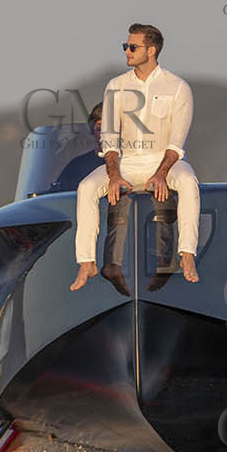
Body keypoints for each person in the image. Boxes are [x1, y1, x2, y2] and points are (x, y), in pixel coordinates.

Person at [70, 24, 200, 289]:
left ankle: (187, 255)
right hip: (127, 162)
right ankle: (87, 263)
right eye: (125, 46)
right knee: (86, 187)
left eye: (132, 47)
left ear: (151, 51)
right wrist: (114, 176)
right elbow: (109, 138)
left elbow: (176, 144)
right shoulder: (116, 86)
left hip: (165, 161)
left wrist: (161, 175)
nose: (127, 51)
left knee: (188, 182)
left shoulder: (178, 87)